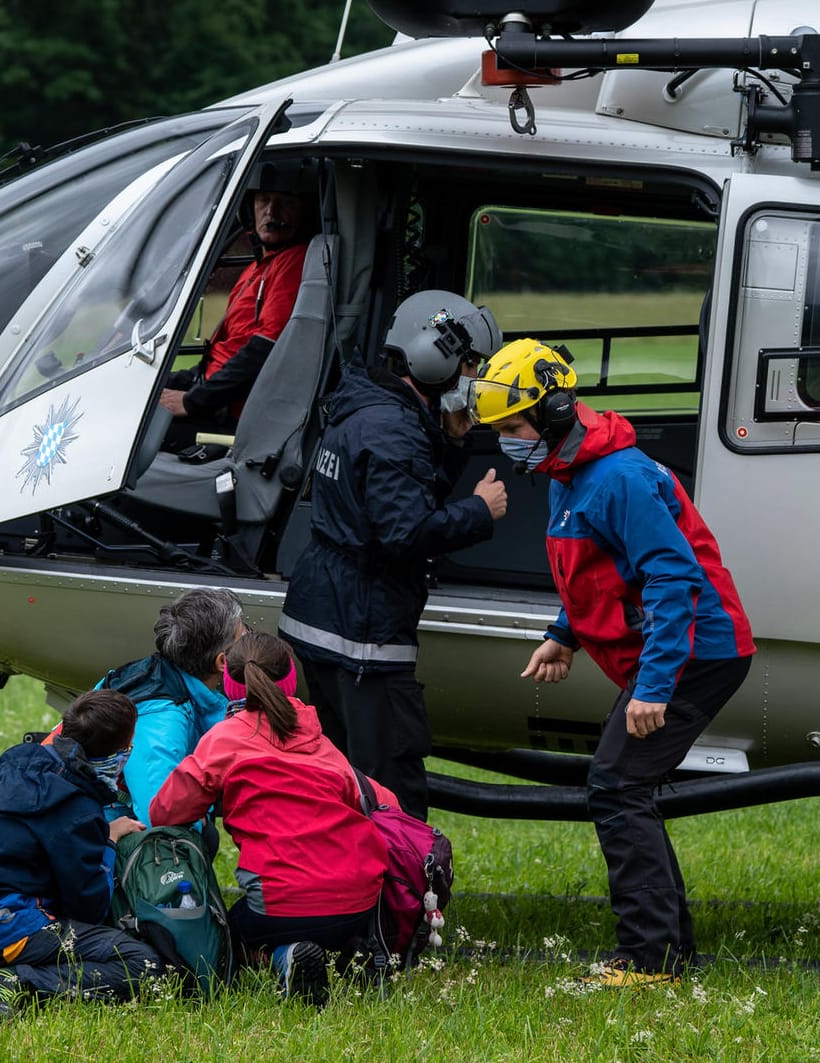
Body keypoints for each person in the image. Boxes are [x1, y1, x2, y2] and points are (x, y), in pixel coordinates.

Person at [471, 338, 755, 989]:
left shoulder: (616, 478)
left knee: (617, 786)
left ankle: (651, 960)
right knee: (624, 786)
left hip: (696, 656)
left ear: (554, 411)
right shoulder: (568, 474)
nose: (506, 441)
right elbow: (601, 572)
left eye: (512, 427)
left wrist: (654, 688)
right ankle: (668, 953)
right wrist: (563, 635)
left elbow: (671, 579)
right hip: (673, 656)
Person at [278, 290, 507, 818]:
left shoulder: (366, 404)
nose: (473, 377)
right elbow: (404, 532)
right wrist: (480, 510)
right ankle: (400, 898)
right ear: (438, 354)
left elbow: (402, 497)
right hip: (363, 636)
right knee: (390, 789)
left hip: (324, 616)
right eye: (470, 364)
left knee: (339, 780)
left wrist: (451, 443)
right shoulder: (393, 429)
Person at [148, 631, 398, 1006]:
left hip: (281, 905)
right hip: (359, 901)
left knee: (228, 936)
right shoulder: (318, 739)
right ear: (290, 679)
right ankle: (352, 952)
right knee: (324, 920)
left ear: (231, 684)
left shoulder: (224, 741)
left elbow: (165, 811)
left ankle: (286, 958)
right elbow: (387, 804)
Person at [0, 689, 164, 1014]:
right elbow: (89, 908)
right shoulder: (76, 809)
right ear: (117, 753)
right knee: (141, 963)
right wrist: (108, 843)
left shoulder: (31, 767)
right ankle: (13, 985)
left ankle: (2, 972)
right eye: (129, 745)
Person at [43, 587, 246, 828]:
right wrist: (201, 821)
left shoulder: (154, 672)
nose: (249, 640)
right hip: (83, 832)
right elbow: (160, 817)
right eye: (243, 636)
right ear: (222, 661)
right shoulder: (161, 721)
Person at [158, 162, 316, 447]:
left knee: (135, 432)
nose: (272, 212)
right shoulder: (259, 266)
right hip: (210, 390)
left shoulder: (294, 262)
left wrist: (193, 401)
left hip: (230, 412)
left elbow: (265, 350)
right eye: (264, 200)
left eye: (286, 202)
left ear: (305, 211)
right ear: (250, 206)